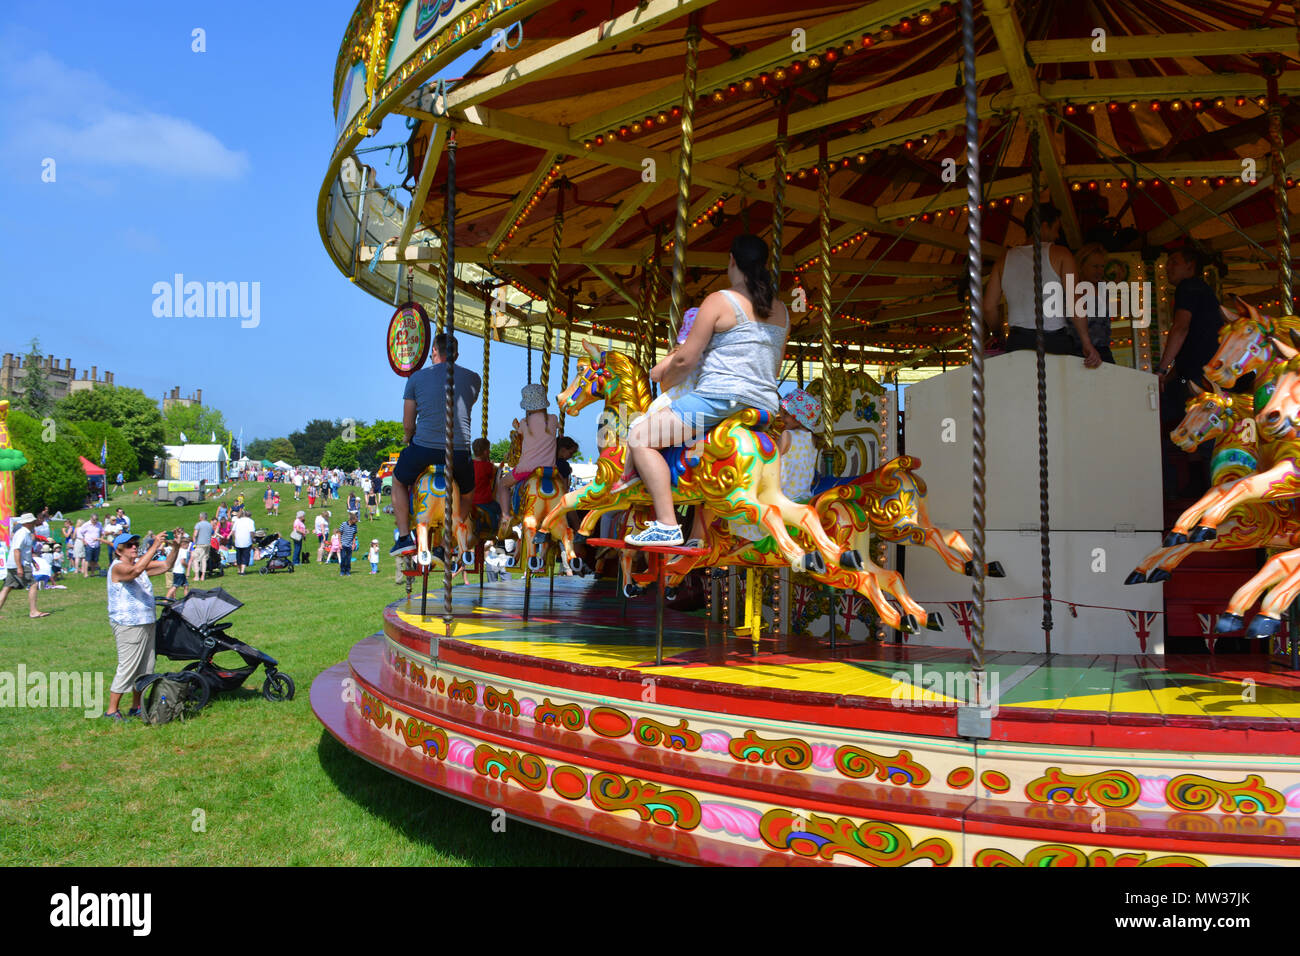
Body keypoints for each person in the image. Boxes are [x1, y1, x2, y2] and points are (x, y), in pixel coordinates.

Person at [622, 233, 790, 546]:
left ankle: (667, 523)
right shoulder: (781, 311)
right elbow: (775, 368)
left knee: (639, 436)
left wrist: (665, 372)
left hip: (719, 399)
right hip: (765, 406)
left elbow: (686, 358)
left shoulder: (719, 300)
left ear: (731, 261)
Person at [390, 333, 482, 556]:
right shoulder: (474, 379)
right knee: (468, 493)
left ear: (434, 351)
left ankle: (404, 537)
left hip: (424, 450)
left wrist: (406, 437)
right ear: (456, 355)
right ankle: (446, 543)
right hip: (459, 453)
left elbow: (408, 423)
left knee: (398, 480)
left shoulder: (415, 379)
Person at [983, 203, 1100, 368]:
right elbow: (1075, 302)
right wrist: (1086, 342)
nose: (1057, 235)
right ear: (1044, 226)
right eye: (1056, 229)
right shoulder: (1061, 254)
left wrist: (998, 335)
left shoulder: (1003, 260)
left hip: (1018, 341)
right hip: (1054, 341)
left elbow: (988, 307)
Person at [1159, 245, 1225, 497]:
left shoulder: (1189, 288)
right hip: (1201, 374)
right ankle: (1196, 484)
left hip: (1200, 379)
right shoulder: (1202, 292)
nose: (1168, 266)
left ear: (1190, 265)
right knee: (1192, 428)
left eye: (1174, 261)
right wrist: (1171, 374)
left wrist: (1161, 369)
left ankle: (1179, 487)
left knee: (1173, 424)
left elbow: (1181, 328)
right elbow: (1194, 344)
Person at [104, 531, 171, 720]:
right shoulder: (117, 568)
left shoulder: (139, 566)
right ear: (119, 551)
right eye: (129, 545)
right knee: (128, 667)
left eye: (135, 543)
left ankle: (136, 707)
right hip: (129, 624)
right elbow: (133, 572)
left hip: (147, 622)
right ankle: (111, 711)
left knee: (145, 667)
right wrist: (154, 546)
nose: (134, 546)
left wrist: (174, 547)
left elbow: (166, 565)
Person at [495, 384, 557, 537]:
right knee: (563, 486)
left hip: (526, 469)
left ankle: (506, 515)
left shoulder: (524, 423)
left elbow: (518, 438)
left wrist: (516, 427)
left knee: (502, 484)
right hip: (550, 470)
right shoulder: (553, 419)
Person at [1064, 243, 1116, 364]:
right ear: (1081, 266)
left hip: (1103, 349)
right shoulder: (1071, 289)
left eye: (1102, 266)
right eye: (1095, 266)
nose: (1100, 271)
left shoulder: (1104, 288)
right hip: (1076, 351)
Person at [0, 512, 47, 618]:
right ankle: (33, 611)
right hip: (19, 564)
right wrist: (20, 567)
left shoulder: (23, 532)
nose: (34, 522)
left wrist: (32, 561)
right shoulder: (23, 533)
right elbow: (17, 550)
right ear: (28, 522)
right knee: (33, 584)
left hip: (13, 564)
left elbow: (24, 550)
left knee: (7, 587)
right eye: (33, 521)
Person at [165, 533, 190, 601]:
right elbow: (182, 561)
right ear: (184, 544)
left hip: (176, 570)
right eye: (188, 544)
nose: (188, 546)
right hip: (180, 571)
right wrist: (187, 566)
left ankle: (187, 599)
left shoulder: (178, 550)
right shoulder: (184, 551)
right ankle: (166, 599)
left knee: (186, 585)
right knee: (175, 586)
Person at [232, 508, 256, 574]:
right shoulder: (251, 521)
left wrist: (235, 538)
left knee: (238, 555)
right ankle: (242, 571)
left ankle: (239, 570)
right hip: (247, 540)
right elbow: (252, 532)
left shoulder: (237, 521)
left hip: (238, 541)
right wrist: (253, 538)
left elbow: (233, 531)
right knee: (245, 555)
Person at [191, 512, 213, 581]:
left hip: (200, 544)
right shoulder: (210, 525)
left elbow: (195, 534)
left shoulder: (198, 524)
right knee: (204, 560)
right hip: (207, 544)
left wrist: (194, 543)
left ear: (201, 517)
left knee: (196, 559)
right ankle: (203, 576)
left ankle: (197, 576)